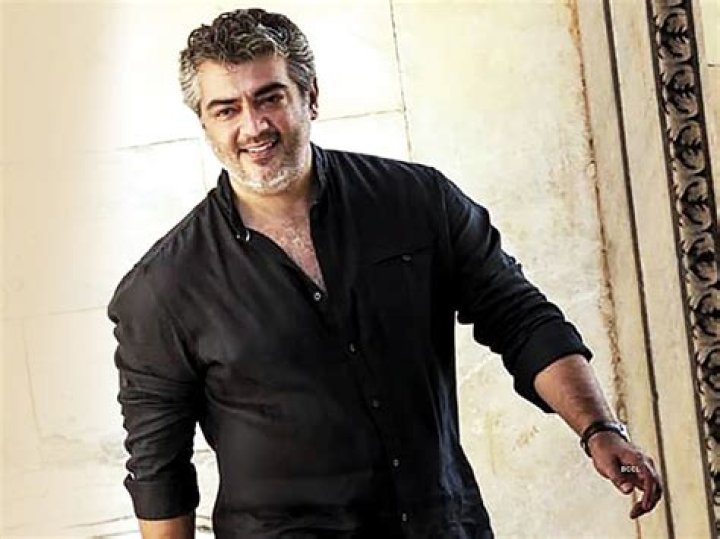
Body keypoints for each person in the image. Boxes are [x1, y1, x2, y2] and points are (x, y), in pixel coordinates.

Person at [109, 8, 663, 539]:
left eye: (269, 98)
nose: (253, 126)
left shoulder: (417, 203)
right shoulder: (164, 288)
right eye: (226, 109)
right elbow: (159, 469)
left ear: (310, 97)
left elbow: (520, 318)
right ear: (205, 123)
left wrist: (598, 429)